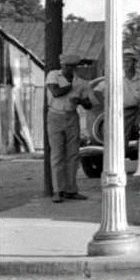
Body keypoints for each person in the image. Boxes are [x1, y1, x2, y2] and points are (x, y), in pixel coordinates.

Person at [45, 54, 93, 202]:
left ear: (74, 67)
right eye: (65, 66)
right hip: (55, 115)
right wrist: (71, 86)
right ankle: (58, 190)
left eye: (71, 66)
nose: (67, 69)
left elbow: (89, 104)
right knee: (57, 155)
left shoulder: (82, 82)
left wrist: (80, 101)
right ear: (62, 65)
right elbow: (56, 92)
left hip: (72, 116)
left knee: (73, 155)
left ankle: (71, 189)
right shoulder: (54, 75)